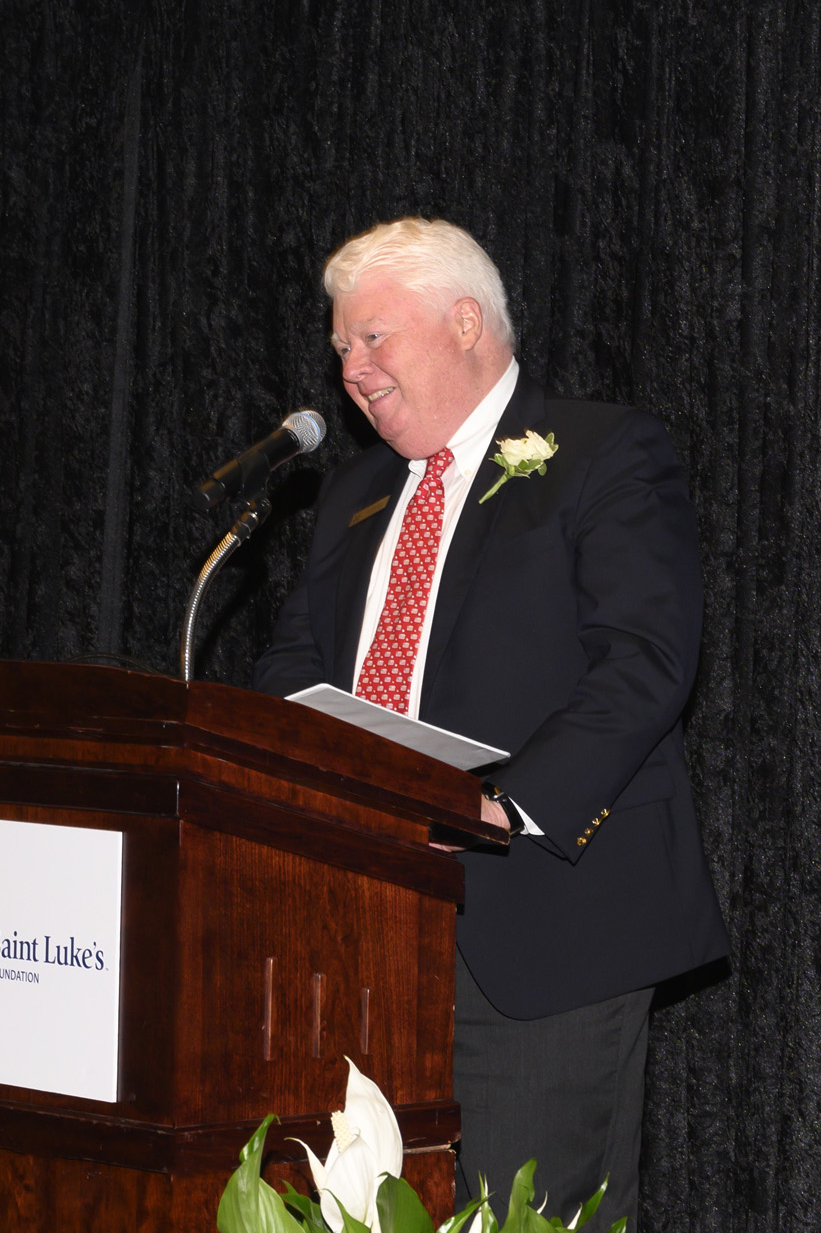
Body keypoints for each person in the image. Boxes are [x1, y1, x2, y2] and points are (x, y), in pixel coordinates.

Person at [254, 217, 728, 1226]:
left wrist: (510, 804)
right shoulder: (356, 490)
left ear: (466, 321)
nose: (351, 369)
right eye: (339, 347)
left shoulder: (603, 450)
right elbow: (295, 663)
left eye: (373, 338)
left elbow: (645, 658)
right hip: (364, 928)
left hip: (538, 918)